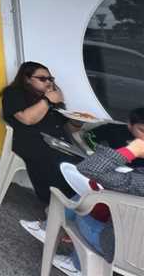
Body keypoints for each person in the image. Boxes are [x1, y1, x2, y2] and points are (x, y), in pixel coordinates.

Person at [60, 108, 144, 273]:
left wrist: (131, 150)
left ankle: (77, 265)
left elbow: (89, 168)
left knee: (82, 203)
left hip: (122, 251)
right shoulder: (114, 131)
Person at [2, 62, 81, 205]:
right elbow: (27, 119)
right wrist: (47, 100)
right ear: (27, 79)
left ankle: (75, 205)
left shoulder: (51, 98)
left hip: (59, 142)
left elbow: (68, 128)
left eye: (50, 79)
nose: (48, 82)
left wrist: (77, 121)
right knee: (57, 163)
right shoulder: (14, 93)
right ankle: (54, 205)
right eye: (42, 79)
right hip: (32, 141)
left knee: (82, 164)